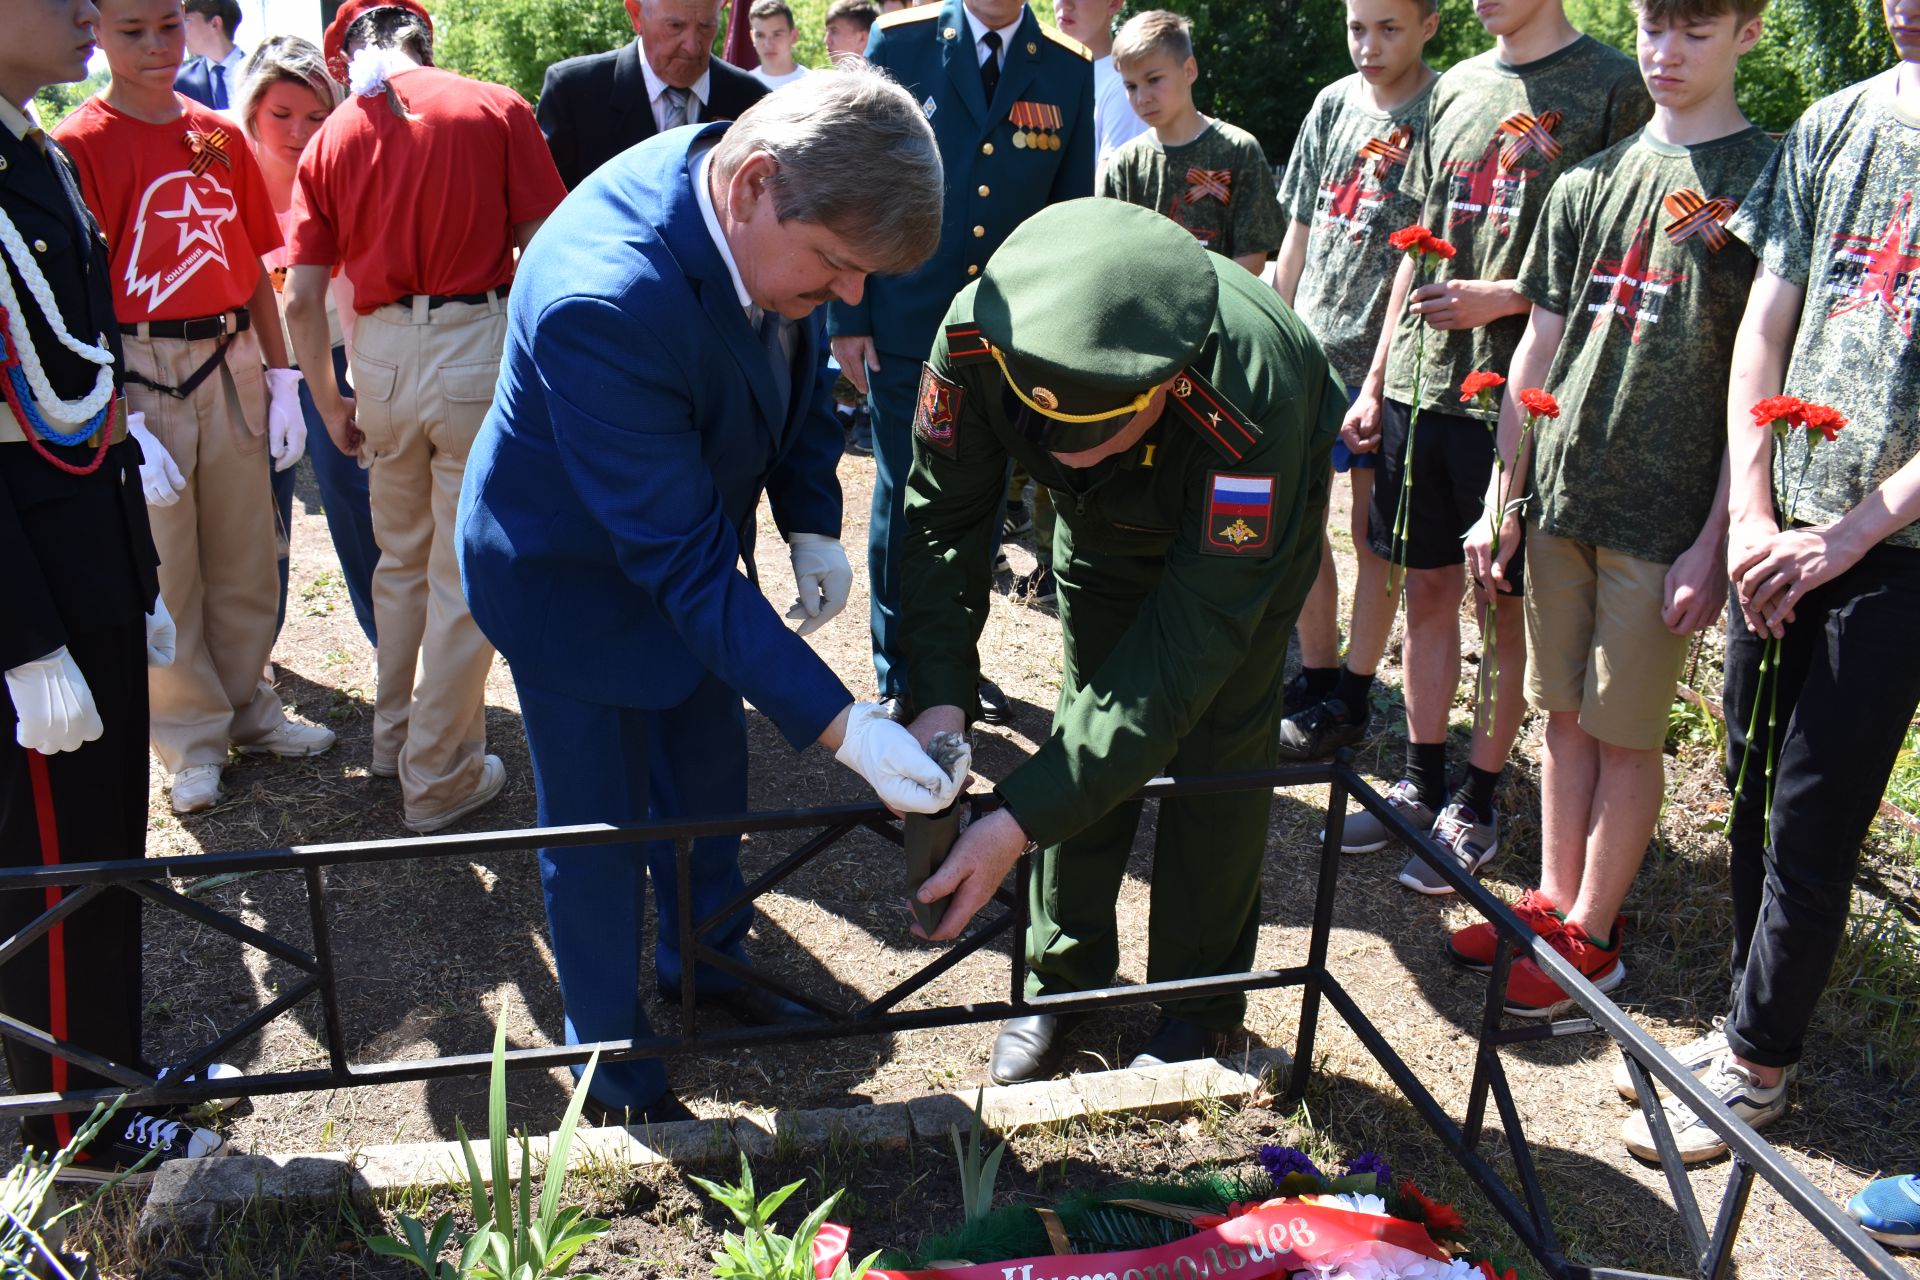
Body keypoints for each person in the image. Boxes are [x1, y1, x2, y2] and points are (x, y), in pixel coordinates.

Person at [457, 68, 956, 1122]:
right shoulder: (611, 294)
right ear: (755, 186)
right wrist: (845, 729)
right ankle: (614, 1066)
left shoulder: (759, 191)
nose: (849, 297)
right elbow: (678, 566)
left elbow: (790, 357)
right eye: (835, 268)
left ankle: (707, 960)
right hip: (571, 581)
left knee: (706, 776)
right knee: (598, 835)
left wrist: (809, 510)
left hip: (684, 541)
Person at [901, 199, 1341, 1081]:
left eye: (1102, 434)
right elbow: (941, 525)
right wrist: (938, 699)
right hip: (1100, 543)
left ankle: (1200, 1006)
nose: (1070, 459)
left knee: (1215, 747)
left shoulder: (1248, 393)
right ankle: (1060, 982)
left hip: (1237, 552)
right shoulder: (978, 334)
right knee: (1085, 720)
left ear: (1168, 385)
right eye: (1047, 431)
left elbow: (1188, 649)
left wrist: (1013, 821)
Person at [1615, 0, 1920, 1164]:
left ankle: (1759, 1068)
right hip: (1775, 532)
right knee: (1746, 781)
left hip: (1892, 555)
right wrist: (1750, 512)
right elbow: (1768, 318)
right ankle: (1742, 1027)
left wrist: (1839, 539)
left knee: (1813, 808)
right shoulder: (1834, 123)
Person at [1447, 0, 1773, 1019]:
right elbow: (1537, 350)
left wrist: (1718, 538)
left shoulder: (1763, 184)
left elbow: (1759, 381)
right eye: (1650, 31)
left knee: (1627, 730)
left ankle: (1596, 937)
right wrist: (1505, 493)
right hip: (1562, 496)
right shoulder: (1590, 178)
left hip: (1663, 515)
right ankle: (1549, 904)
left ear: (1749, 34)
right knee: (1563, 712)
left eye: (1696, 33)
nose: (1666, 56)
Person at [1336, 0, 1652, 893]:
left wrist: (1505, 297)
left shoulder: (1614, 85)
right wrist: (1374, 378)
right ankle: (1419, 779)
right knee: (1425, 585)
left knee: (1503, 604)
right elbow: (1413, 242)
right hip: (1421, 386)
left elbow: (1620, 254)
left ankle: (1478, 802)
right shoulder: (1455, 87)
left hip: (1521, 399)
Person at [2, 0, 225, 1181]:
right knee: (48, 863)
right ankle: (62, 1130)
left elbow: (74, 383)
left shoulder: (33, 148)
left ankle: (107, 1077)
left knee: (101, 849)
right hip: (27, 590)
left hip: (82, 553)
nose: (86, 16)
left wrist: (130, 568)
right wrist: (23, 634)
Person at [285, 0, 564, 833]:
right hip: (475, 340)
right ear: (424, 38)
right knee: (460, 574)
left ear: (347, 59)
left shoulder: (333, 135)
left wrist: (327, 397)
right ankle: (436, 777)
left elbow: (302, 297)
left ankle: (395, 739)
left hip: (375, 355)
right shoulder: (494, 106)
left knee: (400, 561)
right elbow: (544, 249)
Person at [57, 0, 336, 817]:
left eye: (168, 28)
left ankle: (250, 704)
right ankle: (189, 737)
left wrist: (282, 375)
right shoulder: (78, 144)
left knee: (250, 550)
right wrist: (119, 416)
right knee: (167, 565)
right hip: (141, 367)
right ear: (99, 30)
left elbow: (249, 259)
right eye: (133, 30)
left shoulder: (216, 132)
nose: (154, 48)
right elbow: (77, 294)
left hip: (229, 355)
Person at [828, 0, 1094, 727]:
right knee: (905, 494)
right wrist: (846, 309)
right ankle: (901, 672)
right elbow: (855, 173)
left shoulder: (1068, 68)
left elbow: (1068, 212)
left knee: (978, 500)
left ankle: (953, 669)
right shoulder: (903, 41)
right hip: (906, 320)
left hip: (1007, 331)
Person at [1269, 0, 1437, 762]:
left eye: (1389, 29)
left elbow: (1428, 253)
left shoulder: (1445, 111)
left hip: (1389, 370)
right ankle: (1317, 669)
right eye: (1356, 28)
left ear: (1429, 24)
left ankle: (1355, 695)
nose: (1369, 46)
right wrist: (1274, 336)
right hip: (1308, 354)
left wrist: (1378, 378)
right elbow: (1297, 233)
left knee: (1375, 538)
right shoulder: (1332, 104)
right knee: (1299, 523)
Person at [237, 35, 379, 650]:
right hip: (247, 358)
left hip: (332, 349)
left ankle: (393, 650)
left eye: (317, 116)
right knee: (254, 509)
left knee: (355, 496)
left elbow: (346, 293)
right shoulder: (222, 175)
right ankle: (253, 662)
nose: (299, 131)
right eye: (281, 115)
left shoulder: (343, 173)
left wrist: (350, 389)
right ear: (251, 113)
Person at [1099, 11, 1282, 275]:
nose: (1142, 98)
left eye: (1153, 80)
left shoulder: (1238, 149)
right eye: (1131, 86)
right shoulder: (1126, 162)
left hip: (1220, 309)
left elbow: (1252, 257)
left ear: (1189, 70)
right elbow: (1109, 253)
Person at [539, 0, 770, 191]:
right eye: (675, 26)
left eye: (705, 26)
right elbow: (550, 213)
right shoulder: (574, 92)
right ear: (636, 15)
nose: (692, 45)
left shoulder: (752, 101)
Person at [1051, 0, 1147, 177]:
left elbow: (1108, 193)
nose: (1065, 3)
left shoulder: (1123, 86)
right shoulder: (1036, 70)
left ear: (1114, 4)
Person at [174, 0, 244, 109]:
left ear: (215, 23)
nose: (181, 31)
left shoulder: (262, 73)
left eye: (186, 21)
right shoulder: (180, 83)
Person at [749, 0, 809, 89]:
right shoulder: (743, 85)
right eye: (760, 35)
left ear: (793, 36)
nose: (768, 44)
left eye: (777, 35)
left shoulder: (812, 84)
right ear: (752, 37)